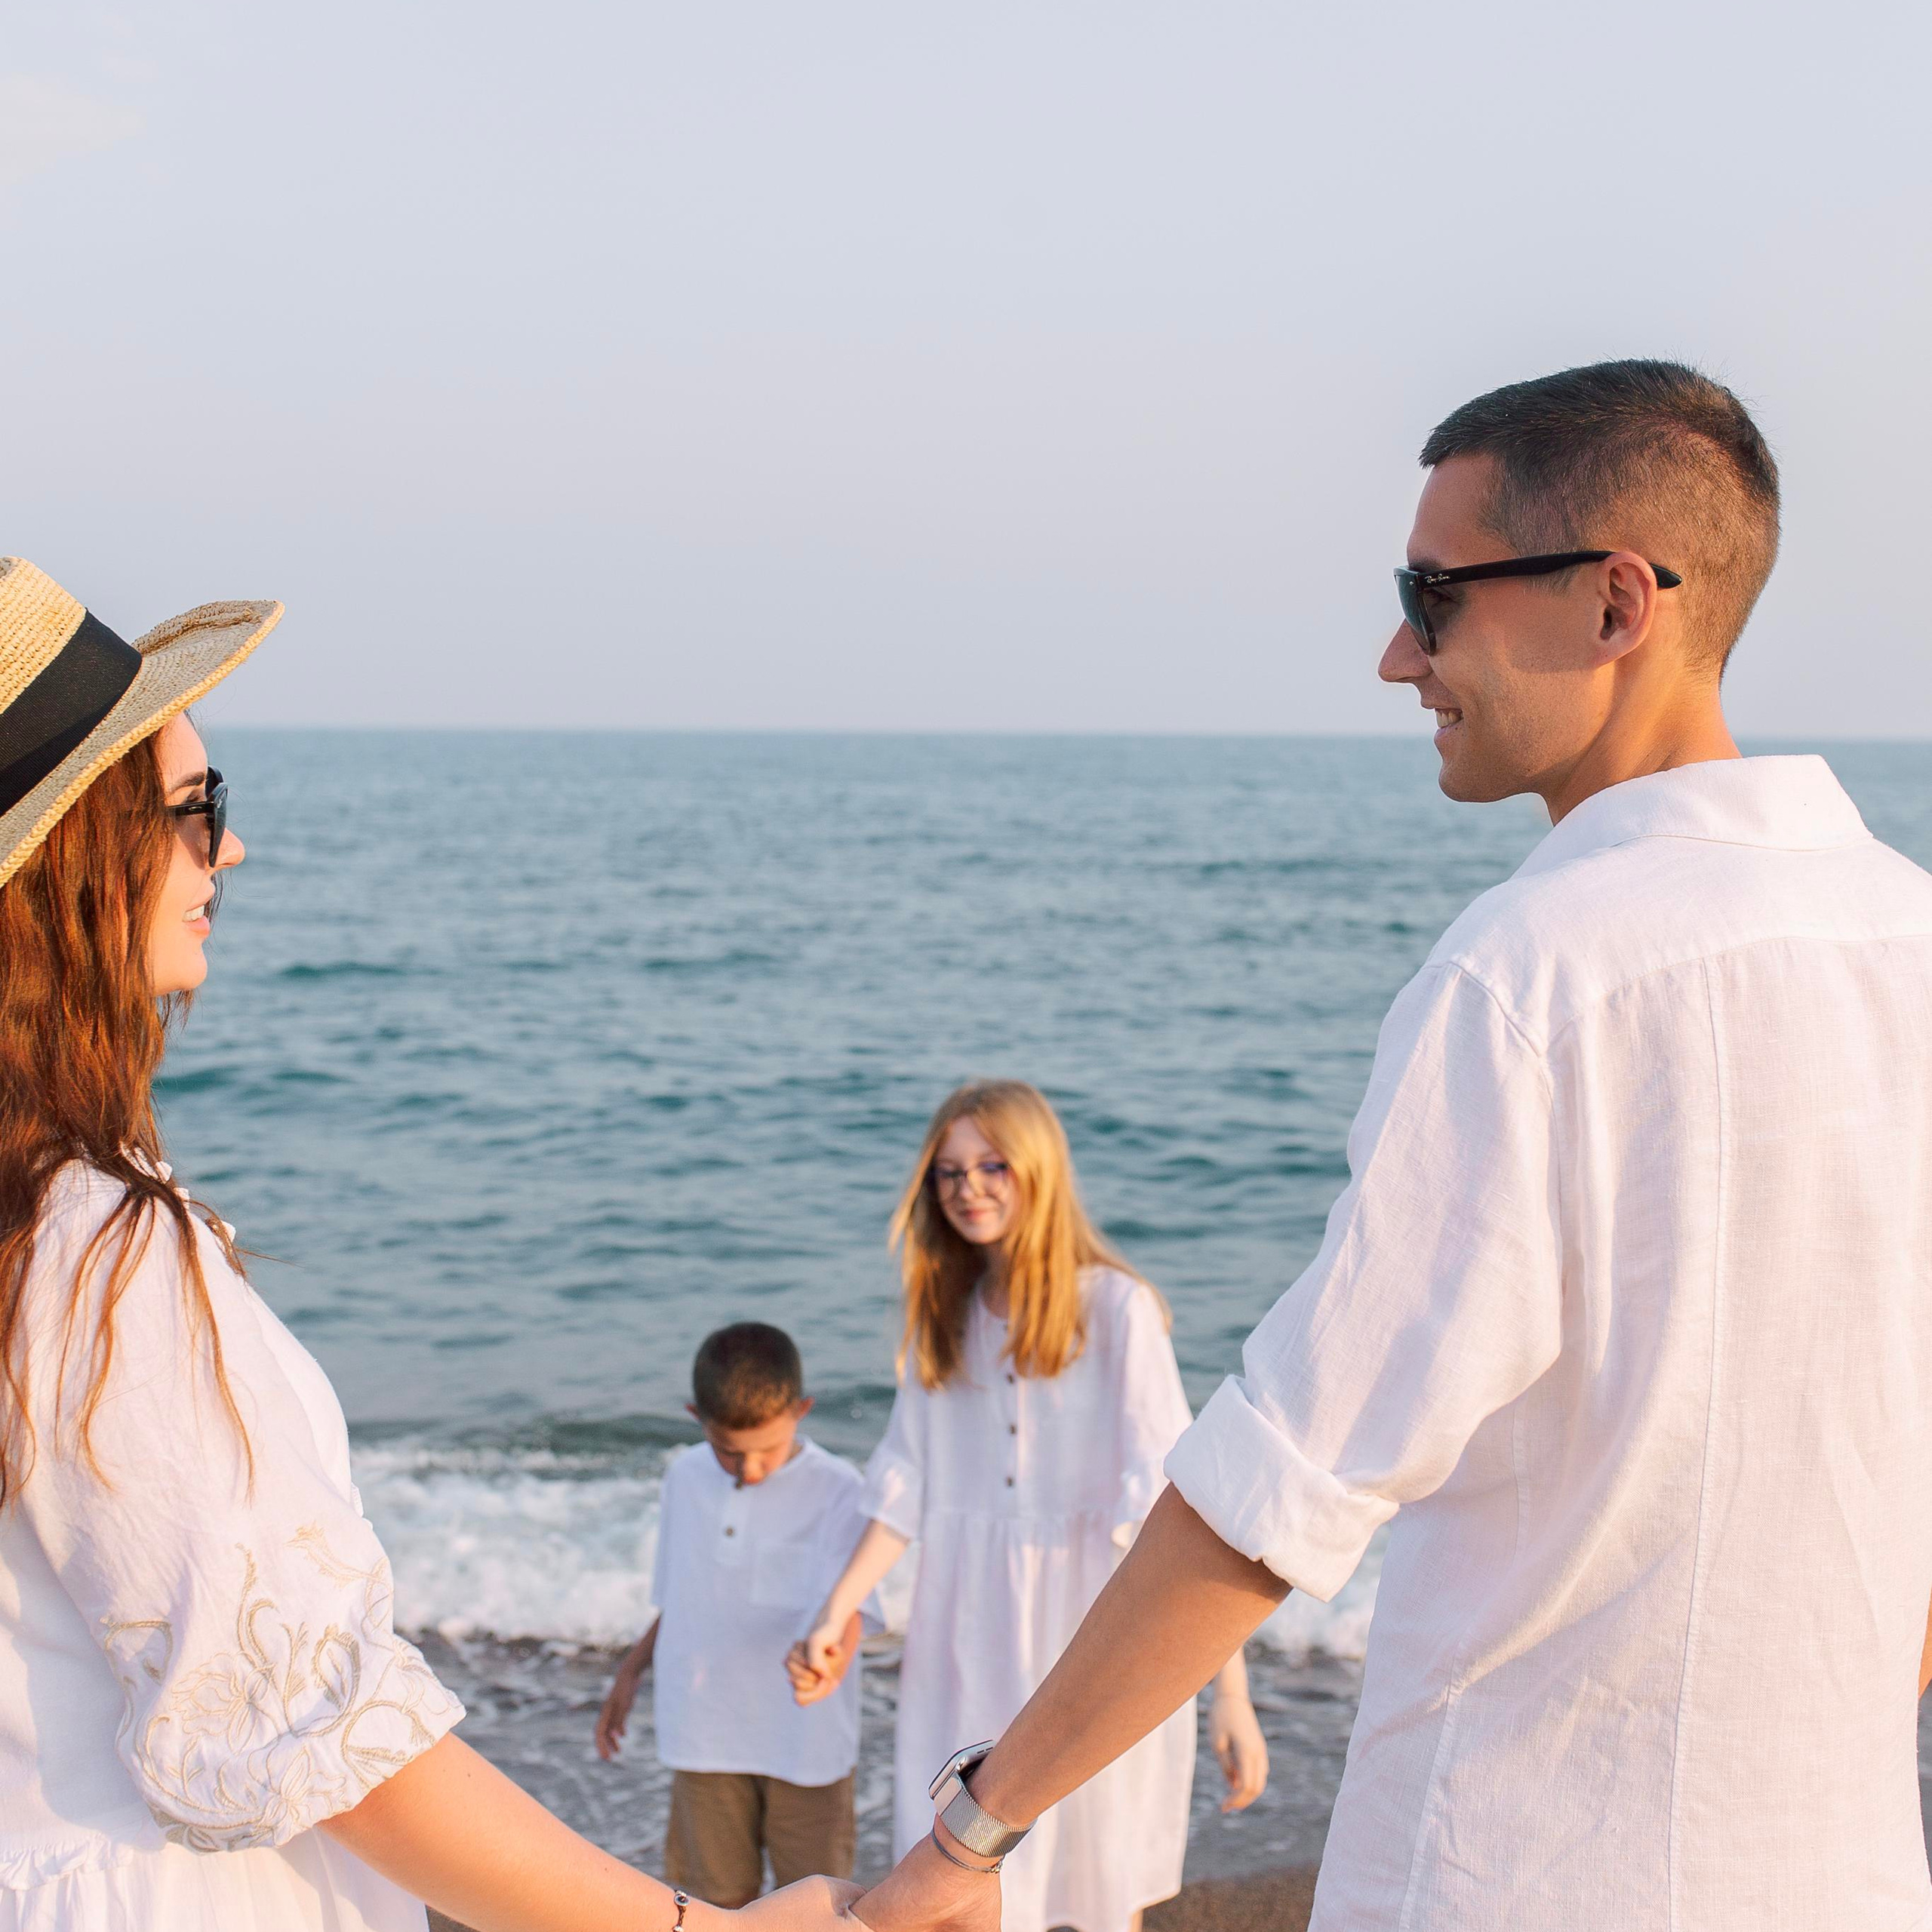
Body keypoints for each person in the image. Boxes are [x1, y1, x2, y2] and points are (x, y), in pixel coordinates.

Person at [851, 360, 1932, 1932]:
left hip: (1518, 1871)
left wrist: (968, 1835)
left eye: (1431, 594)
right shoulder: (1906, 938)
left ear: (1616, 600)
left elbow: (1281, 1483)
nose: (1392, 654)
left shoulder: (1531, 974)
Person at [0, 559, 856, 1932]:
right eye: (197, 809)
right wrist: (703, 1930)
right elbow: (321, 1736)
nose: (231, 850)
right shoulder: (93, 1246)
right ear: (73, 863)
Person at [792, 1081, 1267, 1932]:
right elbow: (904, 1485)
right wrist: (834, 1614)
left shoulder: (1117, 1310)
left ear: (1039, 1170)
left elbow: (1180, 1507)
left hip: (1092, 1631)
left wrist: (1227, 1695)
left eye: (990, 1165)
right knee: (954, 1879)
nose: (966, 1187)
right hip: (966, 1632)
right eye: (947, 1172)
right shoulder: (944, 1316)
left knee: (1099, 1874)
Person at [594, 1322, 881, 1904]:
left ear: (803, 1409)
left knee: (817, 1904)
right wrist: (629, 1673)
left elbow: (852, 1609)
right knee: (709, 1901)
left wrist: (833, 1662)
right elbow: (679, 1593)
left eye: (764, 1451)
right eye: (728, 1450)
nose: (747, 1470)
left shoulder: (838, 1488)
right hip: (704, 1731)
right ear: (694, 1414)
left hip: (806, 1742)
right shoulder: (685, 1477)